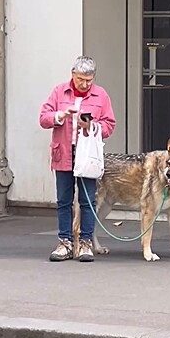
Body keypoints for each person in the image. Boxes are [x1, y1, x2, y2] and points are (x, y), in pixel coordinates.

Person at [39, 56, 116, 263]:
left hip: (87, 154)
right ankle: (64, 242)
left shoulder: (101, 95)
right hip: (63, 151)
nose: (84, 84)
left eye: (89, 80)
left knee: (88, 200)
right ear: (72, 74)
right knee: (63, 200)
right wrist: (61, 115)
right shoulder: (59, 91)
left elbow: (109, 124)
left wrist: (92, 126)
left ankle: (85, 243)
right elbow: (43, 118)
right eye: (81, 79)